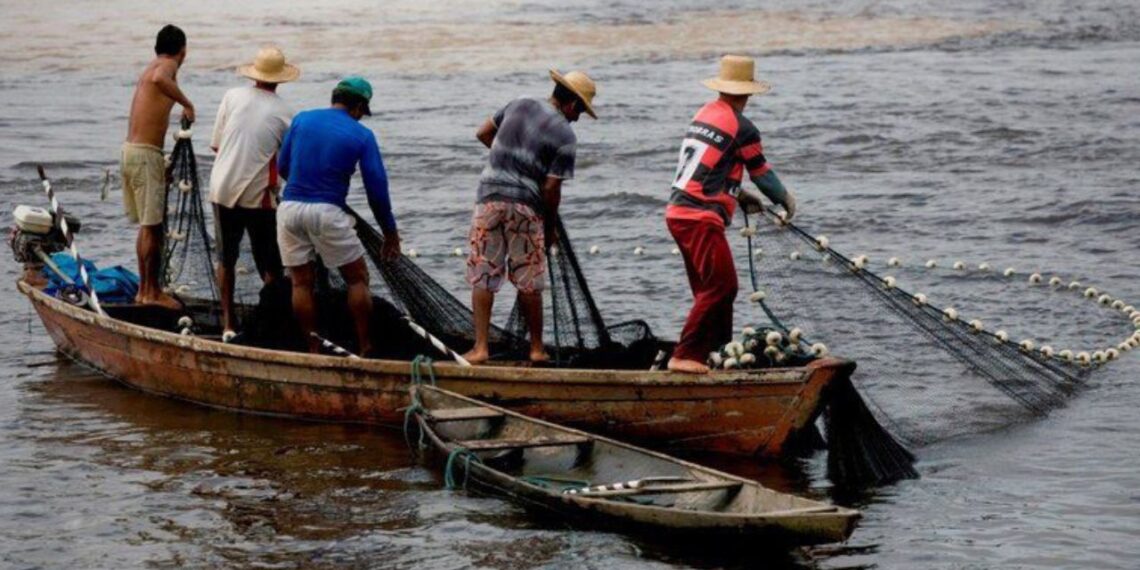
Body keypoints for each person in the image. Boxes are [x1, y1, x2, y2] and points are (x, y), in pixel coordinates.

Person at [665, 55, 797, 374]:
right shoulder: (743, 128)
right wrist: (786, 200)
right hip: (701, 217)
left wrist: (739, 196)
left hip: (678, 212)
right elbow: (762, 174)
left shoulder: (704, 113)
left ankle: (718, 351)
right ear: (748, 92)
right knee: (722, 288)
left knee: (710, 290)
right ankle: (684, 355)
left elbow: (710, 166)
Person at [463, 69, 597, 364]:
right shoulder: (566, 136)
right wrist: (549, 228)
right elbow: (550, 189)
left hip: (488, 199)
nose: (577, 119)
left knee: (483, 274)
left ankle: (480, 348)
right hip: (525, 206)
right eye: (580, 112)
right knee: (529, 280)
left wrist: (508, 159)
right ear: (573, 104)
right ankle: (536, 349)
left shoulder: (519, 103)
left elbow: (483, 133)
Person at [276, 77, 401, 355]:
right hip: (327, 212)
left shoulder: (302, 119)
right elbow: (376, 190)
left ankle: (313, 350)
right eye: (362, 111)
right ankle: (365, 346)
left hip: (289, 207)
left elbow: (282, 165)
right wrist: (390, 232)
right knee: (357, 279)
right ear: (358, 106)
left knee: (300, 282)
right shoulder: (362, 135)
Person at [208, 46, 299, 338]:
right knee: (270, 263)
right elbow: (287, 163)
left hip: (221, 187)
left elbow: (218, 145)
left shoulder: (232, 96)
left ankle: (228, 324)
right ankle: (271, 323)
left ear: (255, 74)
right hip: (257, 196)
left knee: (226, 259)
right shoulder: (286, 113)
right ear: (280, 79)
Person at [121, 24, 194, 309]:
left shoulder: (151, 65)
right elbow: (160, 78)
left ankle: (145, 291)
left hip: (132, 152)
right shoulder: (166, 66)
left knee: (148, 226)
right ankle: (151, 293)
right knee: (152, 226)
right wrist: (187, 104)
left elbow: (155, 80)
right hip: (144, 155)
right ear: (182, 51)